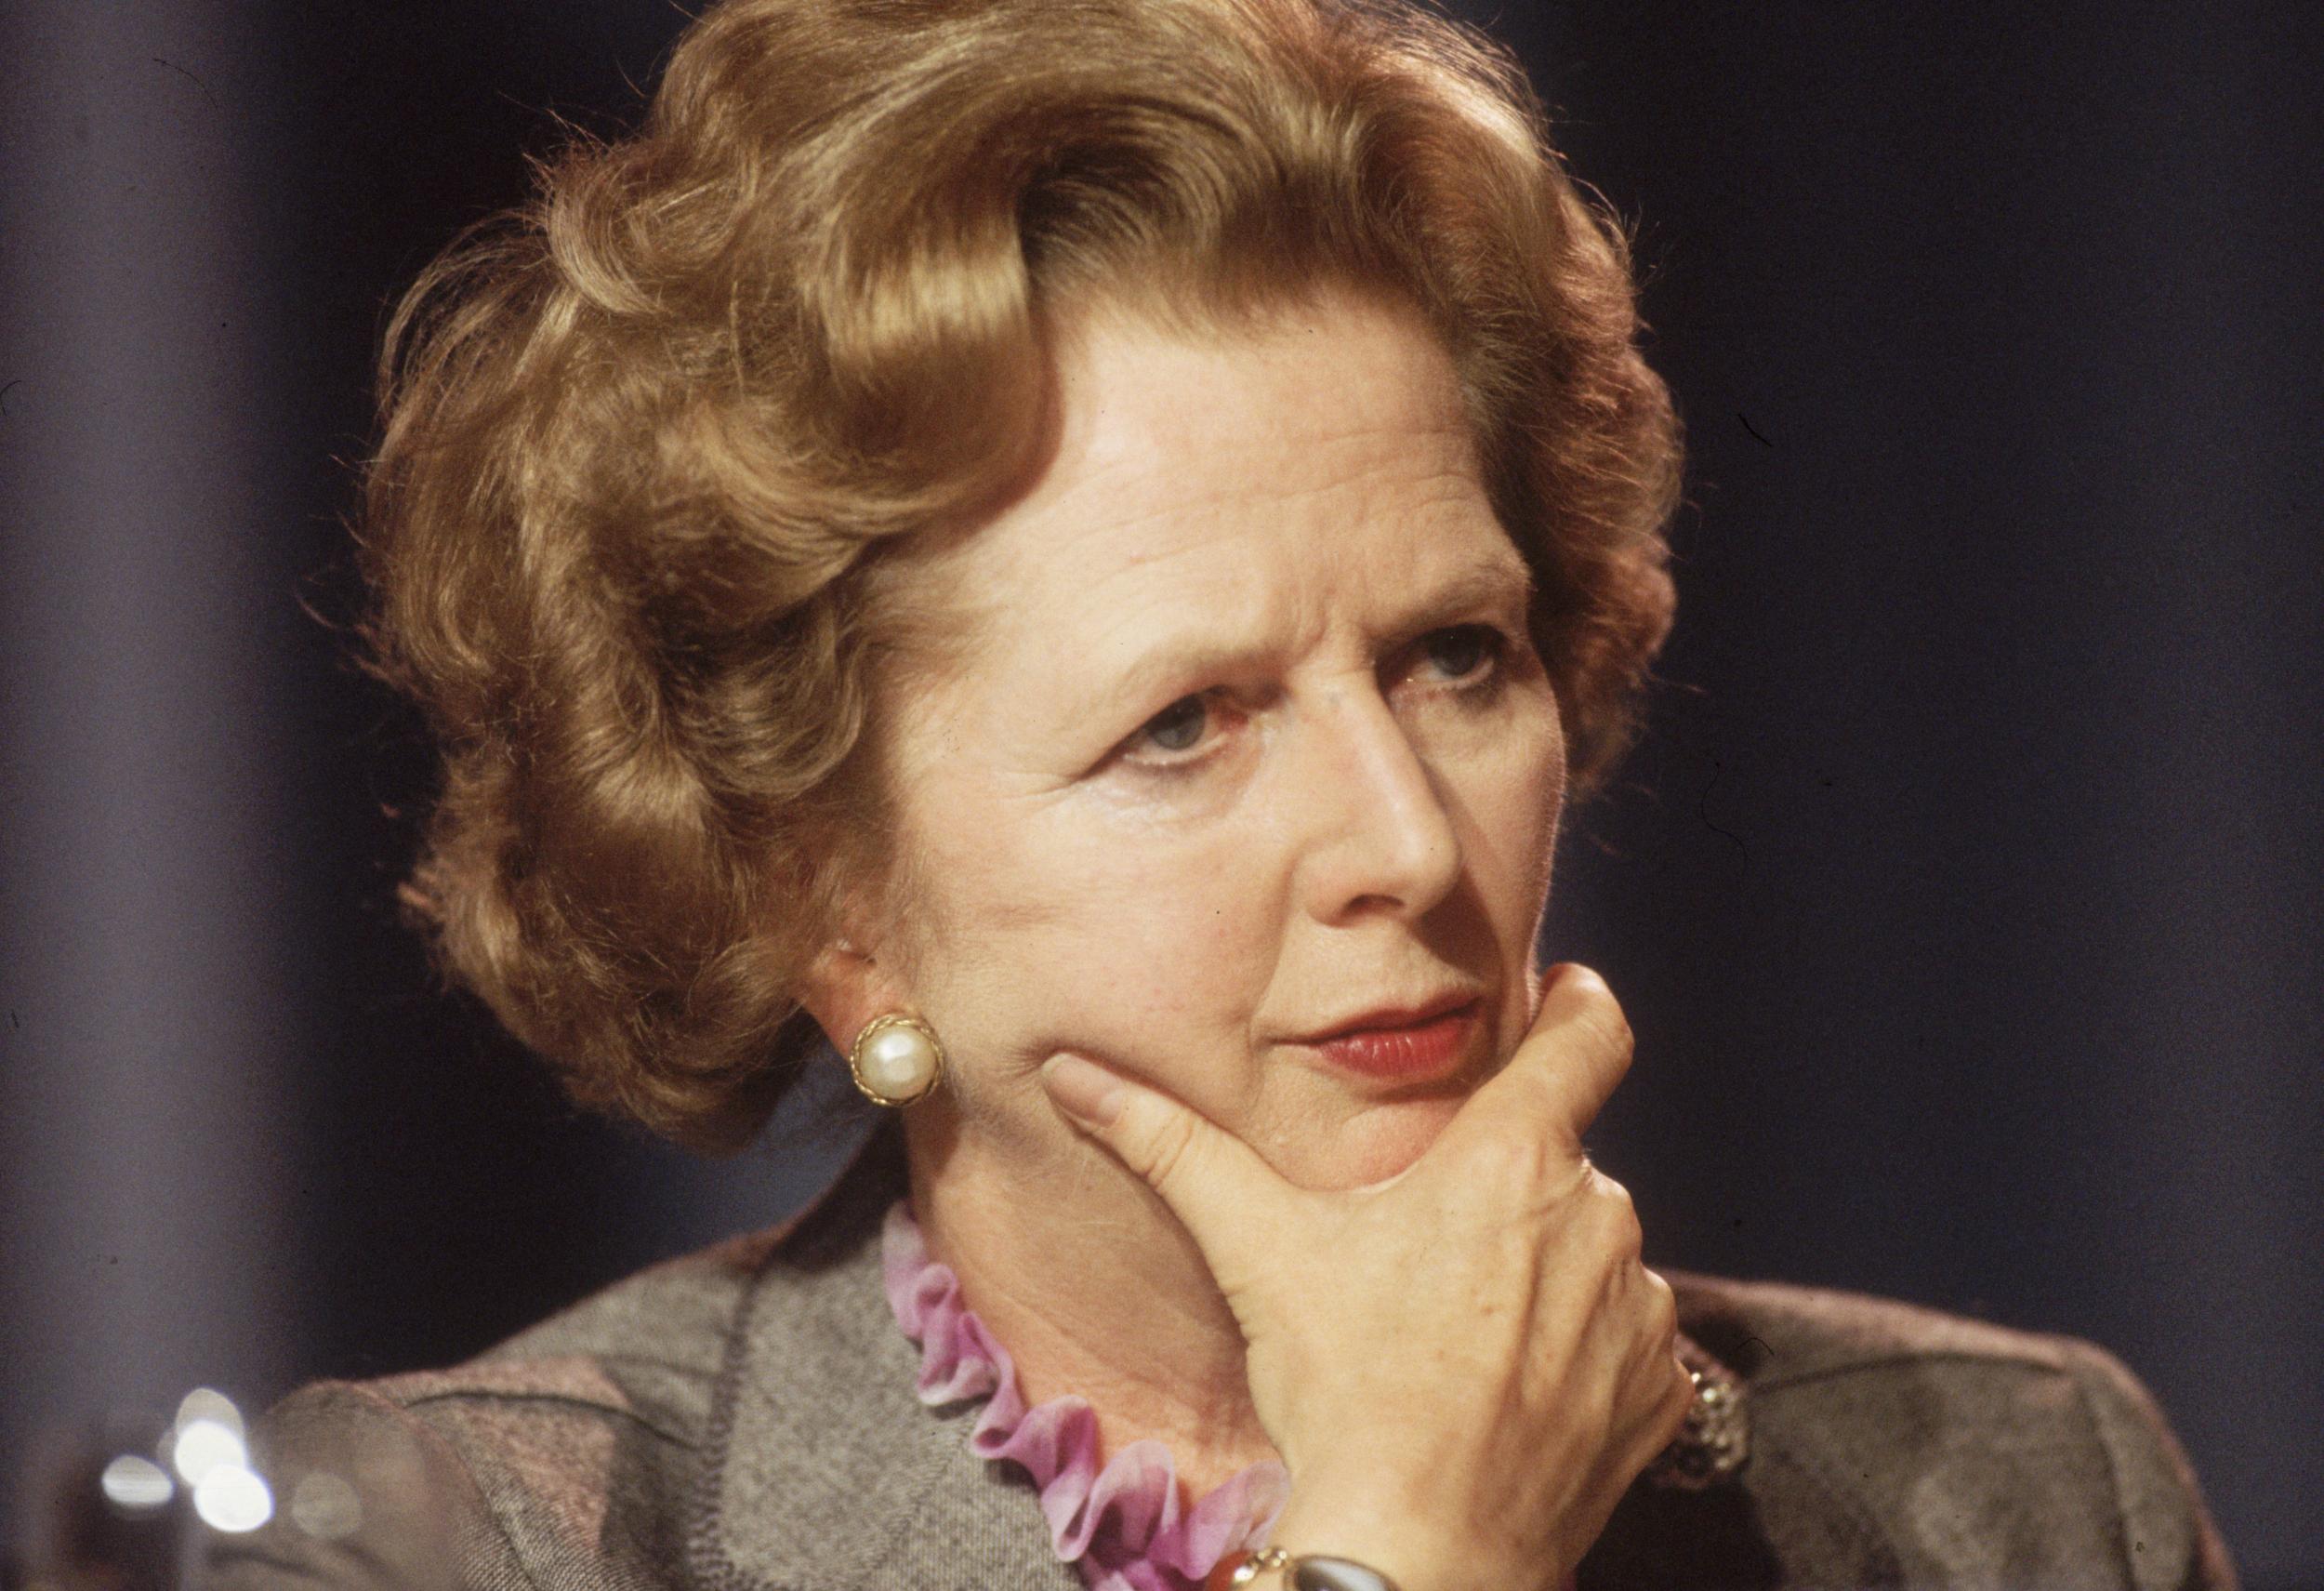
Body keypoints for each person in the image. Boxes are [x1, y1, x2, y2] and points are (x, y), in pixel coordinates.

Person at [200, 1, 2238, 1587]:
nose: (1407, 847)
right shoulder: (459, 1533)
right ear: (816, 887)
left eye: (1456, 656)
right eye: (1182, 722)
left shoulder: (2021, 1485)